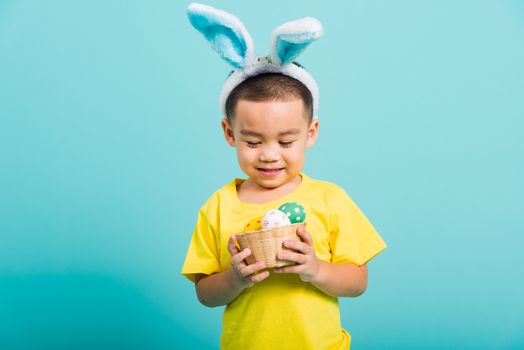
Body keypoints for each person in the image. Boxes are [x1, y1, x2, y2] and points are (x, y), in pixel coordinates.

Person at [182, 3, 387, 349]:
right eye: (252, 141)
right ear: (230, 134)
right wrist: (234, 279)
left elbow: (358, 282)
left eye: (287, 141)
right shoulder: (217, 207)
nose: (269, 154)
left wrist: (315, 269)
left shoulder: (330, 200)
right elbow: (205, 293)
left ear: (311, 133)